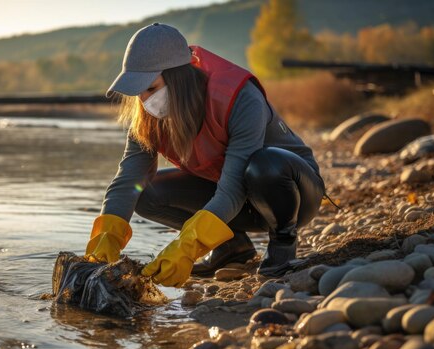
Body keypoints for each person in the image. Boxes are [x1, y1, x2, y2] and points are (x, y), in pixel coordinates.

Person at [84, 23, 325, 288]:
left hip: (292, 194)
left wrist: (187, 247)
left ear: (178, 78)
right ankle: (231, 247)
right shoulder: (149, 118)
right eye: (138, 91)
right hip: (234, 198)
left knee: (263, 166)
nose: (144, 99)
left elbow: (232, 188)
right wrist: (106, 238)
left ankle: (283, 245)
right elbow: (128, 179)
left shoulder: (239, 97)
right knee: (145, 193)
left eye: (150, 88)